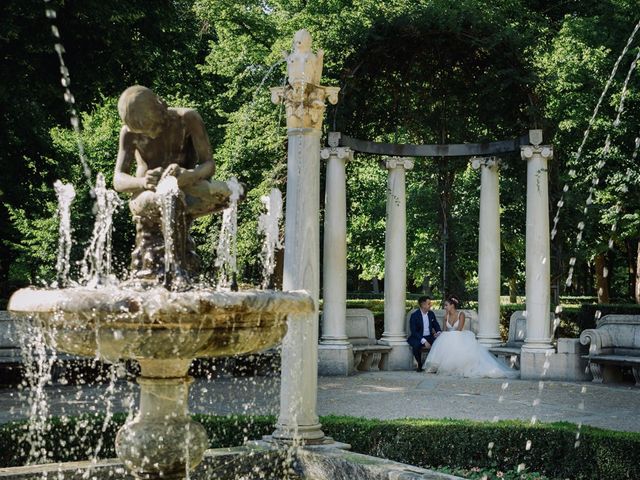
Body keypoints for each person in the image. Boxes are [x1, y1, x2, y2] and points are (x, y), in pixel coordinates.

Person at [113, 85, 234, 285]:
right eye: (144, 132)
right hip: (147, 196)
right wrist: (143, 181)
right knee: (171, 198)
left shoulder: (188, 119)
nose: (151, 135)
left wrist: (191, 174)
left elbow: (209, 164)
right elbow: (118, 179)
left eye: (154, 127)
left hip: (186, 188)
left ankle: (183, 265)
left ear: (161, 107)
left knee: (235, 193)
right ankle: (177, 271)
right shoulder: (128, 133)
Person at [423, 296, 518, 378]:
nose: (445, 307)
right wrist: (439, 333)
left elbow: (459, 329)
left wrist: (447, 335)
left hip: (458, 337)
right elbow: (444, 331)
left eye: (446, 305)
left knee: (451, 341)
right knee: (443, 339)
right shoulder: (446, 316)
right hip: (449, 338)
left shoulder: (461, 314)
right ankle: (440, 367)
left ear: (452, 305)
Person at [407, 296, 441, 372]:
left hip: (429, 336)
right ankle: (419, 364)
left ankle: (434, 365)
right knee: (416, 345)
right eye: (429, 303)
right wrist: (424, 341)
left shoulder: (431, 314)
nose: (431, 305)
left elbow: (435, 324)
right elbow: (414, 331)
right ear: (423, 305)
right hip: (418, 337)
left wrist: (438, 332)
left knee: (439, 342)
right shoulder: (414, 315)